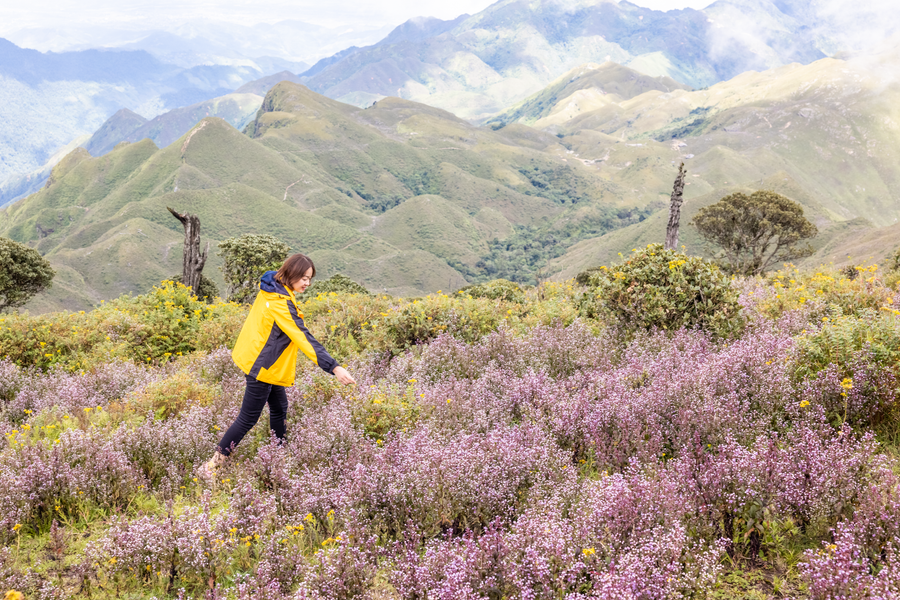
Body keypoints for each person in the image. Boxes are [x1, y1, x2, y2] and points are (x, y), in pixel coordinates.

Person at [199, 253, 356, 480]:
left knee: (280, 406)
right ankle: (210, 468)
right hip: (262, 366)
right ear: (290, 274)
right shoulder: (279, 303)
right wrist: (335, 367)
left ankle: (278, 457)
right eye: (303, 277)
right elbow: (304, 338)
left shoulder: (273, 287)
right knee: (248, 418)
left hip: (262, 360)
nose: (307, 283)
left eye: (310, 278)